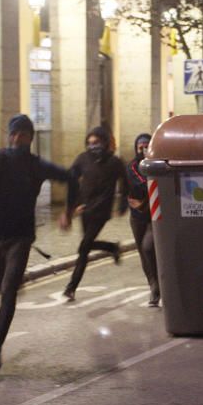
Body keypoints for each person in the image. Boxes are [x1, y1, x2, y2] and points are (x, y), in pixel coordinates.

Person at [0, 115, 78, 372]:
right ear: (9, 136)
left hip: (21, 237)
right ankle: (12, 280)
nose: (17, 139)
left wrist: (68, 212)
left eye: (23, 135)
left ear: (30, 139)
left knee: (8, 293)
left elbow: (70, 178)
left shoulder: (36, 166)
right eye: (13, 134)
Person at [63, 126, 129, 302]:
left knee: (84, 247)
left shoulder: (115, 162)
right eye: (90, 143)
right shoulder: (82, 159)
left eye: (97, 142)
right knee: (86, 247)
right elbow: (72, 181)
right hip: (85, 209)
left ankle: (71, 287)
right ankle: (112, 247)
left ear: (104, 142)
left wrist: (122, 204)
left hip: (102, 211)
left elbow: (125, 184)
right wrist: (72, 206)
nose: (93, 146)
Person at [125, 133, 160, 307]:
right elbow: (140, 183)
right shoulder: (132, 166)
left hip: (153, 216)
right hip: (137, 217)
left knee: (149, 247)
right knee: (143, 253)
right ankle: (153, 286)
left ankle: (158, 285)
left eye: (147, 145)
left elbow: (154, 183)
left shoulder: (157, 164)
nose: (143, 149)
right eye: (140, 147)